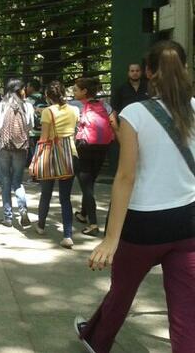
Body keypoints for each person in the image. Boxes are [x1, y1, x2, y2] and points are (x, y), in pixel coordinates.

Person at [75, 40, 195, 353]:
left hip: (143, 226)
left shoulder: (135, 113)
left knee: (122, 292)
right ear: (184, 69)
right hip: (188, 224)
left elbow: (126, 177)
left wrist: (111, 239)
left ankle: (96, 341)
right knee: (186, 312)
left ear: (148, 73)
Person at [35, 81, 80, 248]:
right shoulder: (75, 110)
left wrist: (37, 157)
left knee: (45, 193)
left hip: (51, 156)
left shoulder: (48, 111)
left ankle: (40, 225)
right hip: (70, 154)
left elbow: (44, 138)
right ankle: (67, 235)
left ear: (48, 96)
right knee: (65, 198)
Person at [71, 77, 115, 236]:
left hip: (84, 147)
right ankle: (83, 214)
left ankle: (93, 224)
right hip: (102, 147)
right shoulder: (105, 105)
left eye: (76, 89)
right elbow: (114, 123)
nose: (73, 92)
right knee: (90, 181)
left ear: (84, 91)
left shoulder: (76, 105)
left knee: (86, 186)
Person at [0, 79, 34, 226]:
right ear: (20, 90)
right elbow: (30, 126)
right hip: (20, 149)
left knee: (5, 182)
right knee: (17, 182)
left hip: (3, 148)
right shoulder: (27, 106)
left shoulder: (0, 107)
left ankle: (8, 217)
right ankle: (23, 210)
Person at [25, 79, 47, 166]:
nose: (26, 88)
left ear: (32, 88)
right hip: (45, 130)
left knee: (34, 154)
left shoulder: (27, 101)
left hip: (33, 132)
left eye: (28, 86)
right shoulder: (46, 98)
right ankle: (41, 173)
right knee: (42, 153)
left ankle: (35, 175)